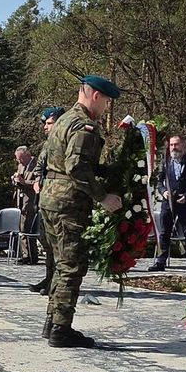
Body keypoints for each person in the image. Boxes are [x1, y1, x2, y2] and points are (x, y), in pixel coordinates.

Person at [39, 76, 123, 348]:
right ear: (96, 95)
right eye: (107, 101)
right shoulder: (83, 126)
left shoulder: (63, 120)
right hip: (68, 204)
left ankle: (52, 322)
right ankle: (61, 330)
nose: (107, 108)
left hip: (51, 199)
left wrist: (110, 171)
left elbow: (67, 162)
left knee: (60, 263)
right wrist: (103, 197)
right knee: (71, 266)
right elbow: (77, 168)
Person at [148, 135, 186, 274]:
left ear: (184, 145)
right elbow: (159, 181)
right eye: (172, 145)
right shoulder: (166, 161)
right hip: (168, 202)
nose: (174, 147)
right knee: (164, 232)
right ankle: (160, 262)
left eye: (177, 144)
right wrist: (163, 192)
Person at [29, 107, 65, 294]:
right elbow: (40, 166)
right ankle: (49, 276)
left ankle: (57, 282)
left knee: (57, 245)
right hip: (44, 198)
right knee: (46, 242)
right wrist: (36, 180)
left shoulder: (64, 140)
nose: (45, 127)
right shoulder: (47, 143)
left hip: (58, 199)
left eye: (49, 123)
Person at [12, 146, 39, 265]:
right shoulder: (21, 165)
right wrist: (15, 180)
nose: (20, 162)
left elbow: (39, 182)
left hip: (31, 201)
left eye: (21, 159)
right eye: (18, 160)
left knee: (28, 229)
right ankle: (25, 255)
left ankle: (32, 255)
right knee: (22, 229)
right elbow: (19, 178)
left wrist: (25, 182)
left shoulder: (37, 165)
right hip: (21, 200)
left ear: (28, 155)